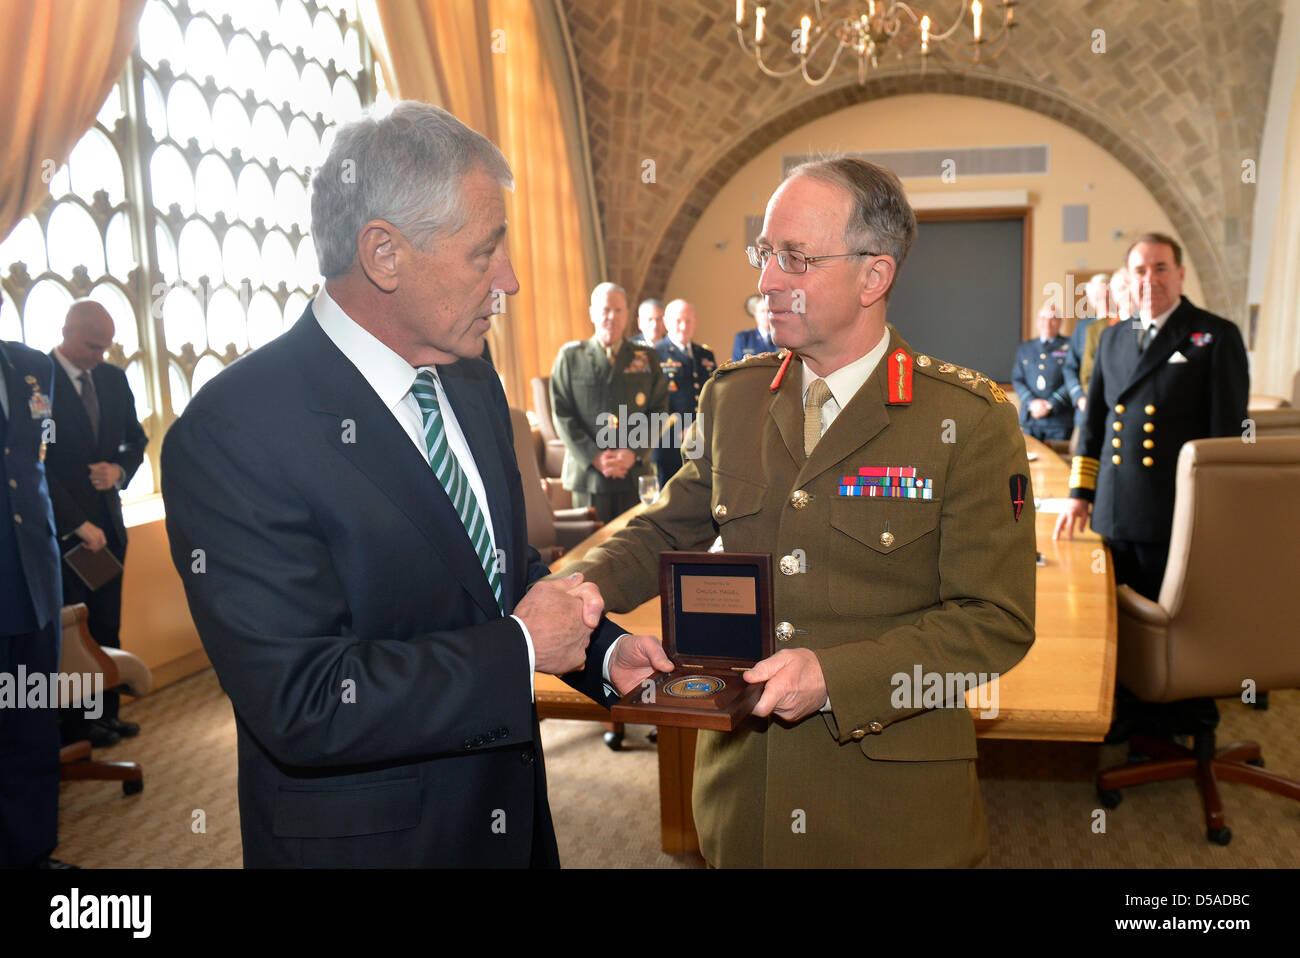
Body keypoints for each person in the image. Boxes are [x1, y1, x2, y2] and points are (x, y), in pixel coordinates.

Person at [161, 102, 671, 868]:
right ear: (384, 254)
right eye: (485, 252)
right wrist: (525, 644)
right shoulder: (235, 432)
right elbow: (306, 701)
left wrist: (599, 652)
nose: (512, 280)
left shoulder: (468, 377)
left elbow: (498, 574)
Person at [562, 157, 1036, 867]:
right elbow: (668, 523)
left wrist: (836, 679)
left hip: (889, 805)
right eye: (764, 254)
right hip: (744, 792)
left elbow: (994, 621)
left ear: (874, 276)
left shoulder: (965, 419)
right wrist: (584, 586)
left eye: (796, 258)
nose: (765, 282)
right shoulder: (734, 399)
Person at [1054, 233, 1249, 601]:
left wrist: (1215, 512)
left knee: (1166, 618)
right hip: (1113, 507)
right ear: (1128, 278)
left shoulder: (1215, 335)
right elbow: (1094, 424)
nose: (1150, 279)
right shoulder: (1113, 339)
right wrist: (1079, 493)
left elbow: (1227, 436)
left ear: (1180, 274)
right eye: (1139, 270)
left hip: (1173, 511)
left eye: (1161, 268)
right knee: (1112, 614)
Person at [45, 301, 148, 746]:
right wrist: (75, 524)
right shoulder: (39, 381)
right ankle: (75, 728)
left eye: (106, 348)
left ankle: (104, 716)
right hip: (67, 536)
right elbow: (37, 465)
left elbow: (135, 439)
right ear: (66, 330)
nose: (99, 357)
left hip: (107, 530)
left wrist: (119, 471)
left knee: (105, 624)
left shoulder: (111, 379)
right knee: (72, 635)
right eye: (92, 346)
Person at [0, 316, 68, 868]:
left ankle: (32, 853)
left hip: (34, 577)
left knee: (32, 725)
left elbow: (45, 459)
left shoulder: (30, 366)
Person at [549, 283, 668, 522]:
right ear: (592, 313)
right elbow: (562, 415)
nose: (611, 317)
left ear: (627, 314)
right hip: (589, 477)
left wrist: (634, 451)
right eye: (604, 310)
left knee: (635, 551)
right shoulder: (571, 357)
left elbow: (659, 410)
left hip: (633, 474)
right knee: (590, 553)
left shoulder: (645, 357)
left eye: (618, 310)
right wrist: (595, 456)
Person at [652, 299, 715, 486]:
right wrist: (680, 429)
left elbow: (713, 394)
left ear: (695, 322)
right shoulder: (655, 354)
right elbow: (654, 401)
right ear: (666, 322)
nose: (683, 326)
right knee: (669, 498)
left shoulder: (704, 354)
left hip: (702, 439)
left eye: (688, 321)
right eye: (678, 320)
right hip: (670, 440)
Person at [1011, 301, 1072, 442]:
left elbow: (1072, 378)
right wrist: (1032, 402)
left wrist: (1050, 404)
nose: (1047, 323)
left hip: (1060, 421)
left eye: (1052, 318)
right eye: (1043, 318)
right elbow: (1017, 379)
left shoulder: (1070, 346)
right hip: (1031, 419)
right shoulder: (1025, 348)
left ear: (1060, 321)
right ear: (1037, 322)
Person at [1062, 273, 1109, 450]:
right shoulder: (1083, 327)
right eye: (1096, 297)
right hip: (1085, 411)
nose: (1102, 301)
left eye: (1105, 296)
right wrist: (1079, 397)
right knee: (1078, 458)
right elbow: (1070, 367)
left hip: (1112, 412)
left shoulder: (1125, 325)